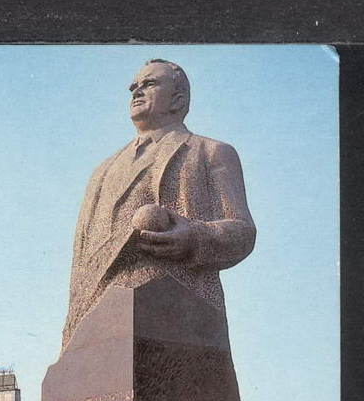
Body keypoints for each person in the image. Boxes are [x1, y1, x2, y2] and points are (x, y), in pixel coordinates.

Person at [62, 59, 255, 350]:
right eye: (133, 87)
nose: (136, 92)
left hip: (178, 314)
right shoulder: (101, 172)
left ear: (178, 99)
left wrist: (192, 237)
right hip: (100, 317)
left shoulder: (212, 153)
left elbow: (242, 231)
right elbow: (81, 257)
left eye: (149, 84)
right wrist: (71, 331)